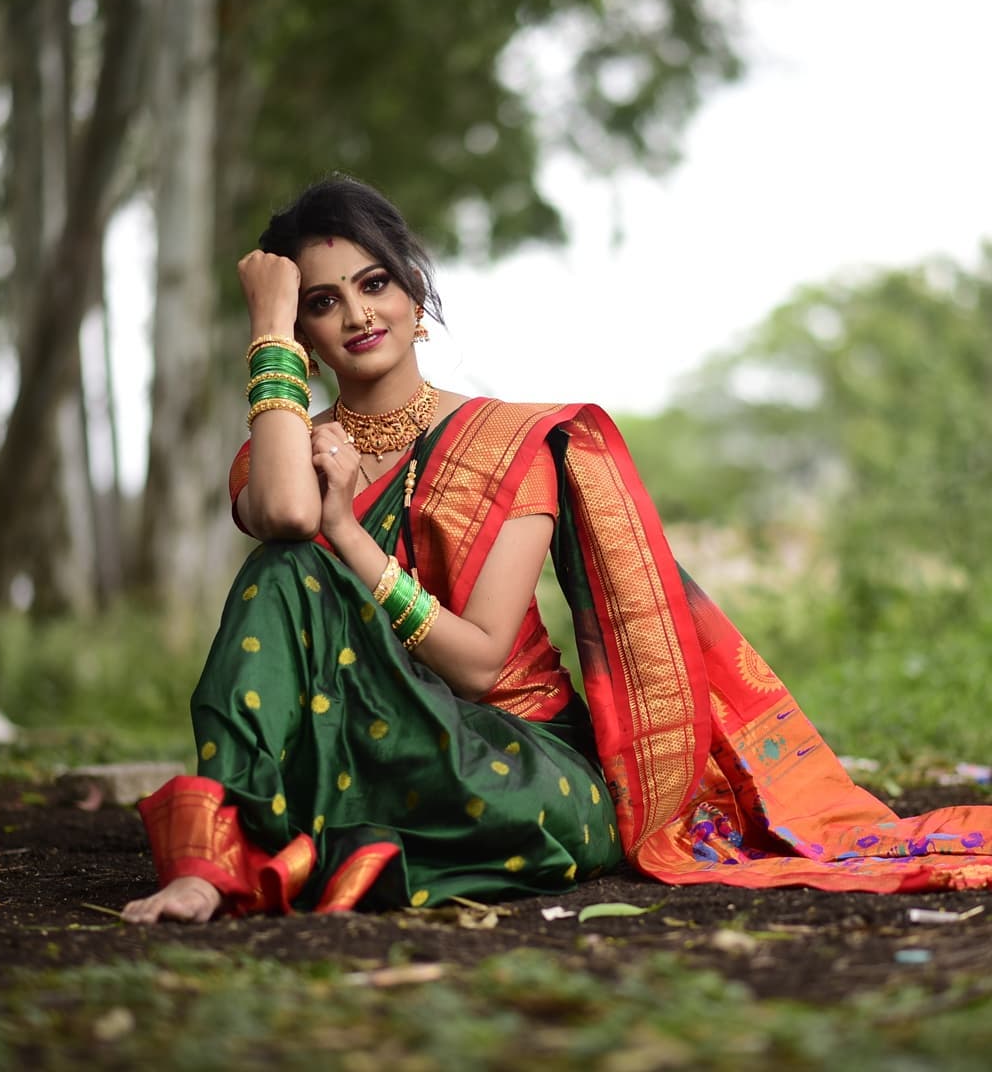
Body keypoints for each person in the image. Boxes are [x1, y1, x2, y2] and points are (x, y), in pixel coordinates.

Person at [122, 176, 992, 924]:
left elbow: (476, 663)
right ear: (303, 337)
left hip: (504, 756)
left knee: (553, 817)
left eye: (374, 283)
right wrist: (266, 327)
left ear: (414, 297)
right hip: (355, 739)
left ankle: (323, 845)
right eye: (320, 301)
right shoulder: (292, 446)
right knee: (286, 564)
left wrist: (348, 529)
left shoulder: (508, 444)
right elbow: (280, 513)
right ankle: (211, 863)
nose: (355, 314)